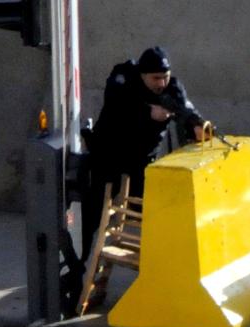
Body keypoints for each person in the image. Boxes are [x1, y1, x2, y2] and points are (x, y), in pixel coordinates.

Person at [81, 46, 206, 261]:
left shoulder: (171, 88)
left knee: (151, 213)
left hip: (141, 160)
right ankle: (83, 262)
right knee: (94, 213)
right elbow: (115, 102)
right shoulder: (124, 78)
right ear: (142, 74)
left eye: (165, 77)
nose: (161, 83)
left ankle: (154, 263)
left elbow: (186, 108)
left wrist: (197, 125)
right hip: (109, 153)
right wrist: (148, 113)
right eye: (156, 78)